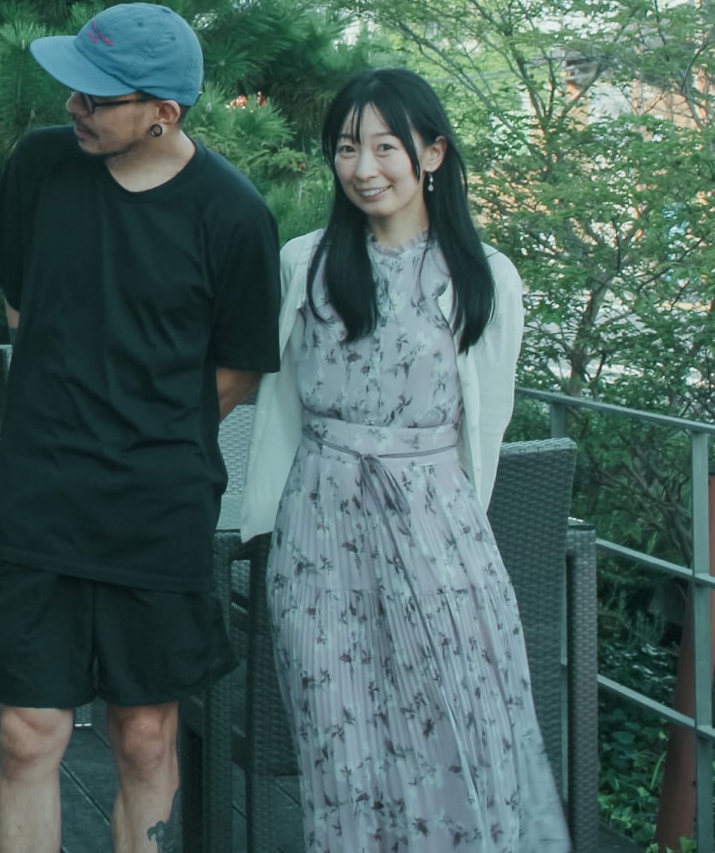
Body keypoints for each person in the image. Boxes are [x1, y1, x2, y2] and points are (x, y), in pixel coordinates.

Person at [0, 3, 281, 853]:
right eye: (74, 88)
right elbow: (21, 311)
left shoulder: (233, 214)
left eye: (97, 98)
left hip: (158, 509)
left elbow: (236, 375)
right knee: (26, 732)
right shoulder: (40, 167)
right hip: (43, 497)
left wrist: (144, 432)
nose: (73, 106)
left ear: (163, 113)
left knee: (144, 734)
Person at [240, 67, 570, 851]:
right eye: (347, 147)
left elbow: (487, 421)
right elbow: (270, 399)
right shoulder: (305, 263)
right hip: (320, 529)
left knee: (455, 725)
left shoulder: (484, 276)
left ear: (433, 154)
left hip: (438, 529)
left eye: (387, 147)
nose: (364, 168)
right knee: (338, 737)